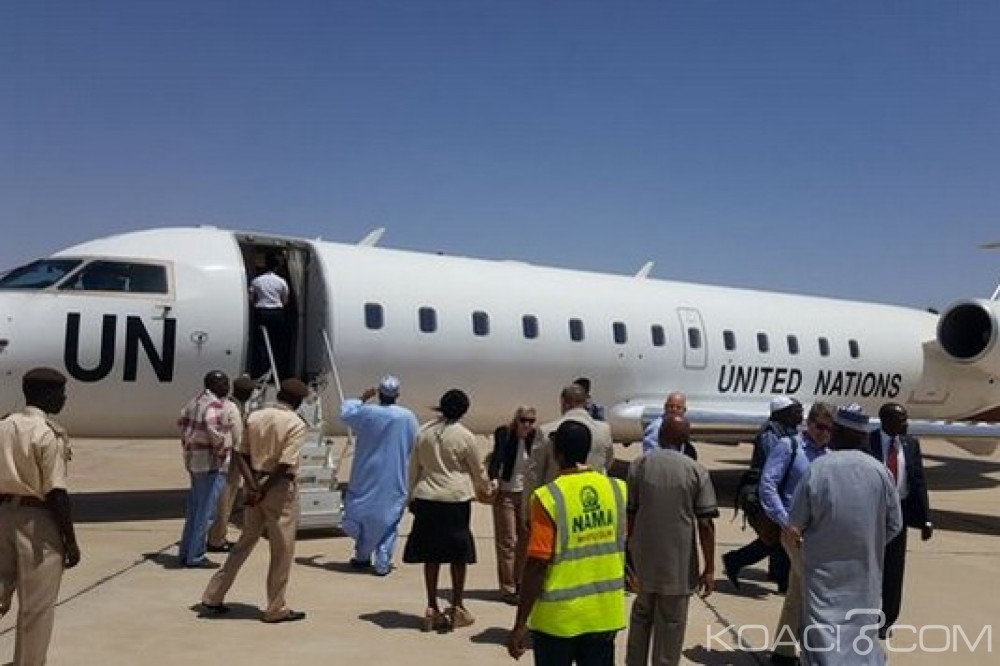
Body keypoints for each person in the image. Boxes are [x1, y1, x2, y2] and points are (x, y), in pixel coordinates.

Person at [786, 405, 902, 665]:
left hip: (822, 575)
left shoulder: (819, 469)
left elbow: (794, 527)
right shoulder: (880, 472)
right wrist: (867, 543)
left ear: (840, 432)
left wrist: (804, 556)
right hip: (865, 574)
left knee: (821, 636)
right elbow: (895, 524)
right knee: (859, 636)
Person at [506, 420, 627, 665]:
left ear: (557, 453)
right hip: (604, 614)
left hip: (558, 619)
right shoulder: (617, 489)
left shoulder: (548, 497)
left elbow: (537, 565)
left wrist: (520, 623)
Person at [201, 378, 310, 623]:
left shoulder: (255, 416)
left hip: (253, 484)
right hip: (278, 489)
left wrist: (252, 486)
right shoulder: (295, 423)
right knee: (282, 550)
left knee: (244, 543)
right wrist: (264, 489)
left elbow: (240, 454)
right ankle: (275, 607)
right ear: (298, 401)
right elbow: (285, 463)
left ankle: (213, 595)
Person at [0, 368, 80, 666]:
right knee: (36, 608)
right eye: (60, 393)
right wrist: (70, 540)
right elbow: (56, 493)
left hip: (3, 514)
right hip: (37, 523)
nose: (64, 399)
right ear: (46, 395)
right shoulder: (47, 434)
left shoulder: (4, 425)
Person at [625, 416, 717, 666]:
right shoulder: (696, 471)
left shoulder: (639, 465)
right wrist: (709, 567)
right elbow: (706, 524)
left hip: (643, 564)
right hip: (678, 567)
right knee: (671, 626)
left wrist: (628, 556)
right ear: (686, 440)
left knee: (640, 618)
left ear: (660, 436)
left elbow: (630, 515)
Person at [403, 389, 493, 632]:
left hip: (427, 496)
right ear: (464, 410)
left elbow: (413, 467)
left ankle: (431, 606)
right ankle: (457, 606)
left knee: (431, 555)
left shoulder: (424, 432)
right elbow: (476, 470)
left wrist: (410, 496)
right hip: (455, 498)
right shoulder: (465, 436)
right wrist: (486, 488)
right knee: (458, 555)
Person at [759, 403, 834, 666]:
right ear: (809, 424)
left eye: (830, 429)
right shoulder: (790, 446)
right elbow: (768, 485)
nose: (824, 433)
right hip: (794, 532)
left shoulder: (830, 456)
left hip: (819, 533)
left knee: (798, 589)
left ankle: (784, 651)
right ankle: (811, 652)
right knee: (812, 590)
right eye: (820, 427)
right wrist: (785, 522)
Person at [339, 374, 420, 576]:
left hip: (365, 473)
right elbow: (416, 442)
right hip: (394, 475)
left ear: (379, 393)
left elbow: (346, 413)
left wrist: (362, 398)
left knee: (362, 513)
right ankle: (383, 561)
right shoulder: (407, 416)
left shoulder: (367, 412)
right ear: (397, 395)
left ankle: (362, 556)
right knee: (389, 518)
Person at [866, 402, 932, 639]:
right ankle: (864, 615)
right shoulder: (867, 442)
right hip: (871, 512)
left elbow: (918, 481)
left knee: (894, 569)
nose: (906, 423)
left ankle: (887, 620)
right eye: (901, 419)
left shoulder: (910, 444)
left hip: (899, 512)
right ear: (886, 421)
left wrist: (925, 520)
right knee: (869, 566)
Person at [723, 396, 802, 592]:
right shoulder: (770, 435)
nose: (800, 414)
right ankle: (736, 560)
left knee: (778, 537)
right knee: (774, 537)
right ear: (782, 413)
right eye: (796, 411)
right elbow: (772, 468)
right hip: (767, 491)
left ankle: (776, 575)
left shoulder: (789, 431)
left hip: (782, 491)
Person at [524, 384, 614, 512]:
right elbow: (608, 462)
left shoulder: (546, 431)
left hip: (558, 506)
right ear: (585, 402)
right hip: (593, 505)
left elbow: (533, 475)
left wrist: (528, 511)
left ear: (563, 402)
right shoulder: (604, 430)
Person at [177, 371, 231, 568]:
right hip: (210, 464)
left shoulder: (194, 402)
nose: (227, 387)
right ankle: (196, 555)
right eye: (224, 383)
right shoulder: (214, 405)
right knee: (206, 512)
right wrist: (223, 450)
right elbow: (214, 431)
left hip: (194, 461)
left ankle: (186, 551)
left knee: (195, 510)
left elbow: (182, 423)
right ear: (213, 385)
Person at [488, 405, 538, 604]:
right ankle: (507, 587)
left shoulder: (535, 438)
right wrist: (494, 478)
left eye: (531, 421)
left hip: (526, 495)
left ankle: (520, 582)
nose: (527, 425)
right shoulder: (504, 434)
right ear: (516, 420)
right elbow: (497, 458)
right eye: (523, 420)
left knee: (525, 540)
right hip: (506, 493)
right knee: (508, 541)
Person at [208, 375, 257, 553]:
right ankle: (216, 540)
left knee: (222, 501)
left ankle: (215, 536)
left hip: (223, 460)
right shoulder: (233, 408)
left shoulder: (231, 405)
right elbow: (238, 441)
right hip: (230, 463)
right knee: (225, 503)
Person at [249, 252, 290, 379]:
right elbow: (285, 300)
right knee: (277, 343)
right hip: (277, 313)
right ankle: (276, 371)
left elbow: (251, 298)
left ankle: (261, 370)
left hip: (261, 312)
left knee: (261, 344)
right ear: (277, 267)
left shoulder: (256, 281)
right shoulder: (281, 282)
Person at [641, 391, 691, 456]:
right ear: (665, 407)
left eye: (678, 407)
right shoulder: (656, 427)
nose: (674, 409)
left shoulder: (682, 426)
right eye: (671, 406)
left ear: (684, 410)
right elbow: (650, 454)